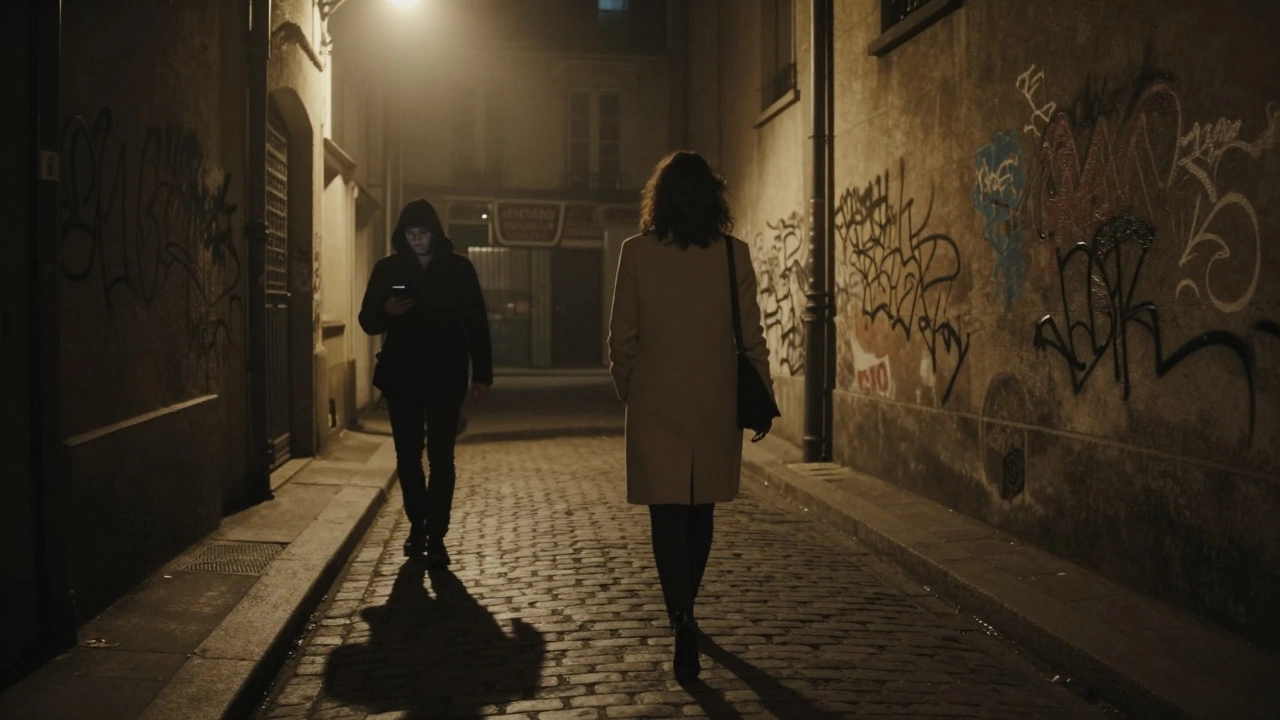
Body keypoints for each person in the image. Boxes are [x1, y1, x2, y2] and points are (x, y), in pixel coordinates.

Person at [607, 151, 774, 684]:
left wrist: (631, 391)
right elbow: (751, 336)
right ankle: (686, 612)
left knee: (666, 513)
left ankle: (680, 616)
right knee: (701, 510)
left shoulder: (636, 253)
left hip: (656, 400)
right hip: (714, 399)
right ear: (712, 199)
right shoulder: (732, 255)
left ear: (659, 199)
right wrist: (761, 395)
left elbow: (621, 340)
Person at [359, 198, 493, 568]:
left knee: (441, 458)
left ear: (435, 234)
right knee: (407, 456)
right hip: (402, 376)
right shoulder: (388, 269)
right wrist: (384, 310)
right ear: (402, 235)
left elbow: (476, 322)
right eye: (411, 233)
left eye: (423, 233)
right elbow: (367, 320)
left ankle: (437, 532)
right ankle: (418, 523)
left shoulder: (457, 269)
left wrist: (482, 374)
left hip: (446, 375)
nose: (418, 240)